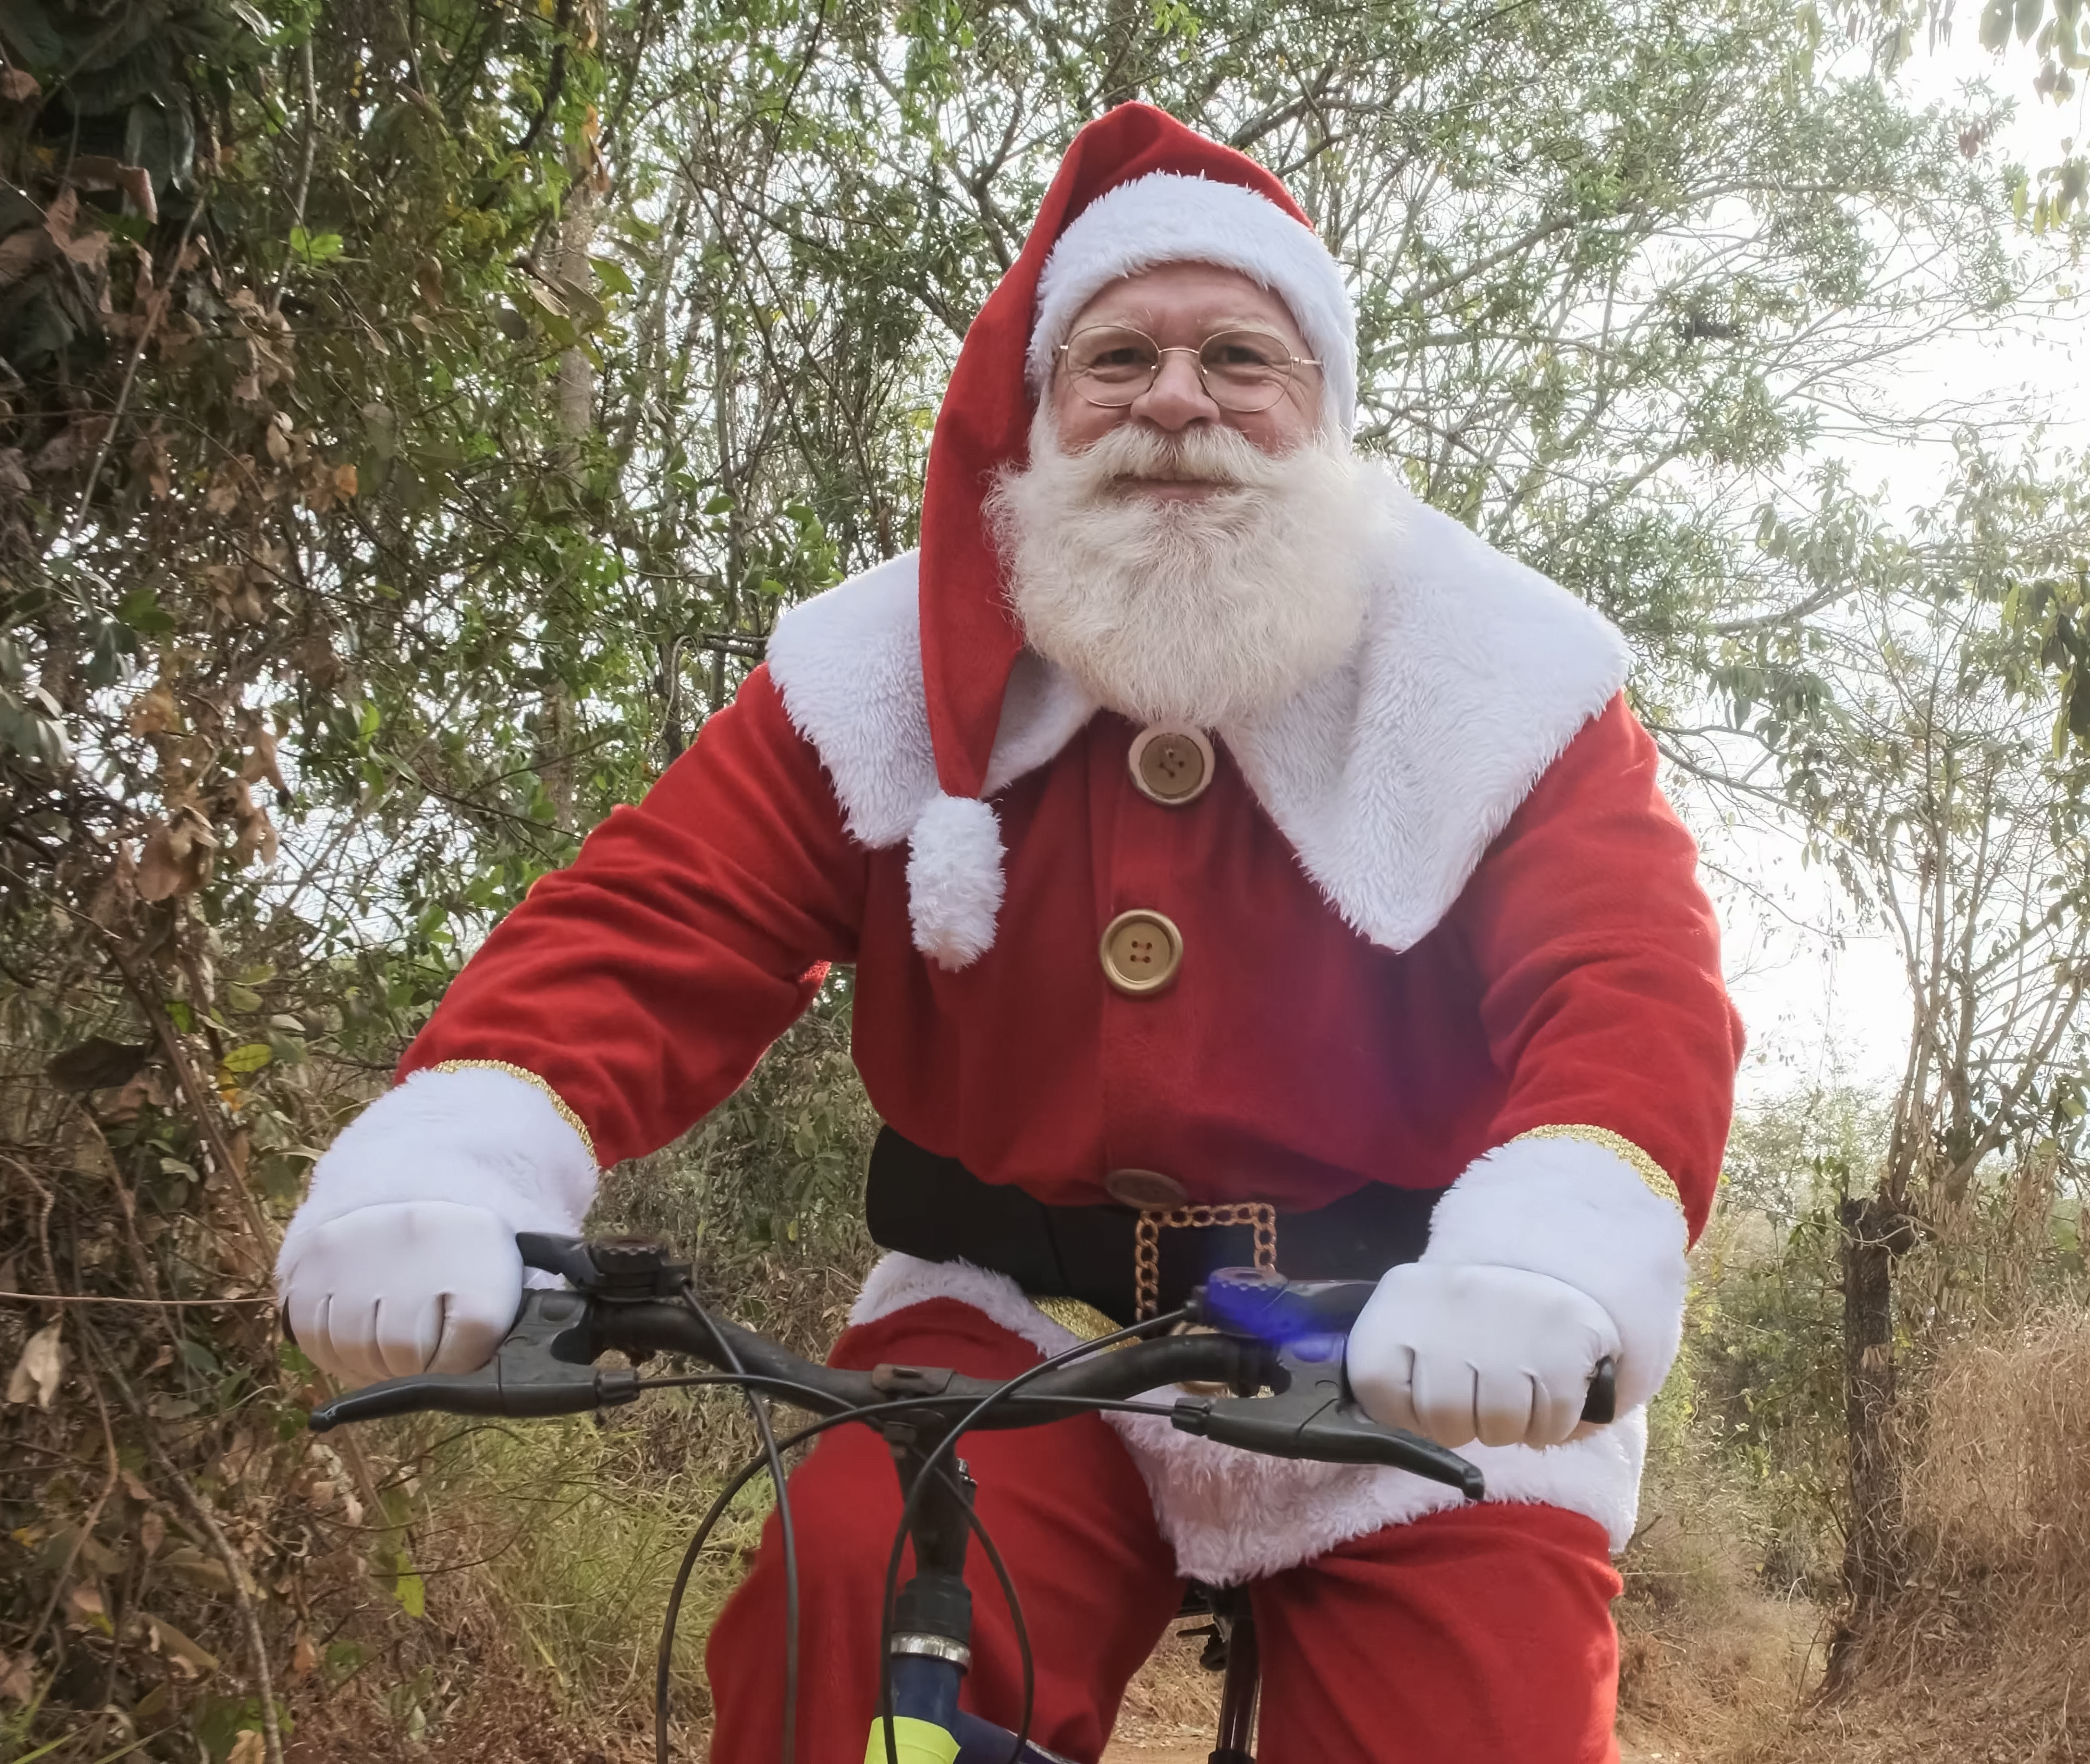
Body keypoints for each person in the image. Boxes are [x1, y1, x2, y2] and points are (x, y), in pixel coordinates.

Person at [272, 103, 1741, 1762]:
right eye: (1115, 359)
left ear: (1325, 413)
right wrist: (454, 1166)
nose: (1175, 400)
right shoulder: (878, 665)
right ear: (1037, 417)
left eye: (1239, 360)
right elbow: (658, 911)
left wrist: (1541, 1262)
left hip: (1401, 1341)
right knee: (846, 1602)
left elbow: (1633, 991)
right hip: (1006, 1329)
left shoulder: (1501, 677)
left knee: (1485, 1720)